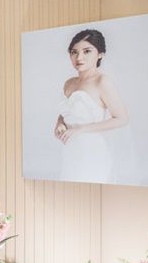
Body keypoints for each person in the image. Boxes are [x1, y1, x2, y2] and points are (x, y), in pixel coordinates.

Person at [53, 29, 127, 183]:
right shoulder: (69, 83)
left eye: (87, 51)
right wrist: (60, 123)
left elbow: (121, 118)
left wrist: (81, 129)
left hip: (92, 152)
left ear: (100, 54)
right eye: (74, 52)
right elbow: (67, 112)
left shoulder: (102, 82)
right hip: (70, 150)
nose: (79, 57)